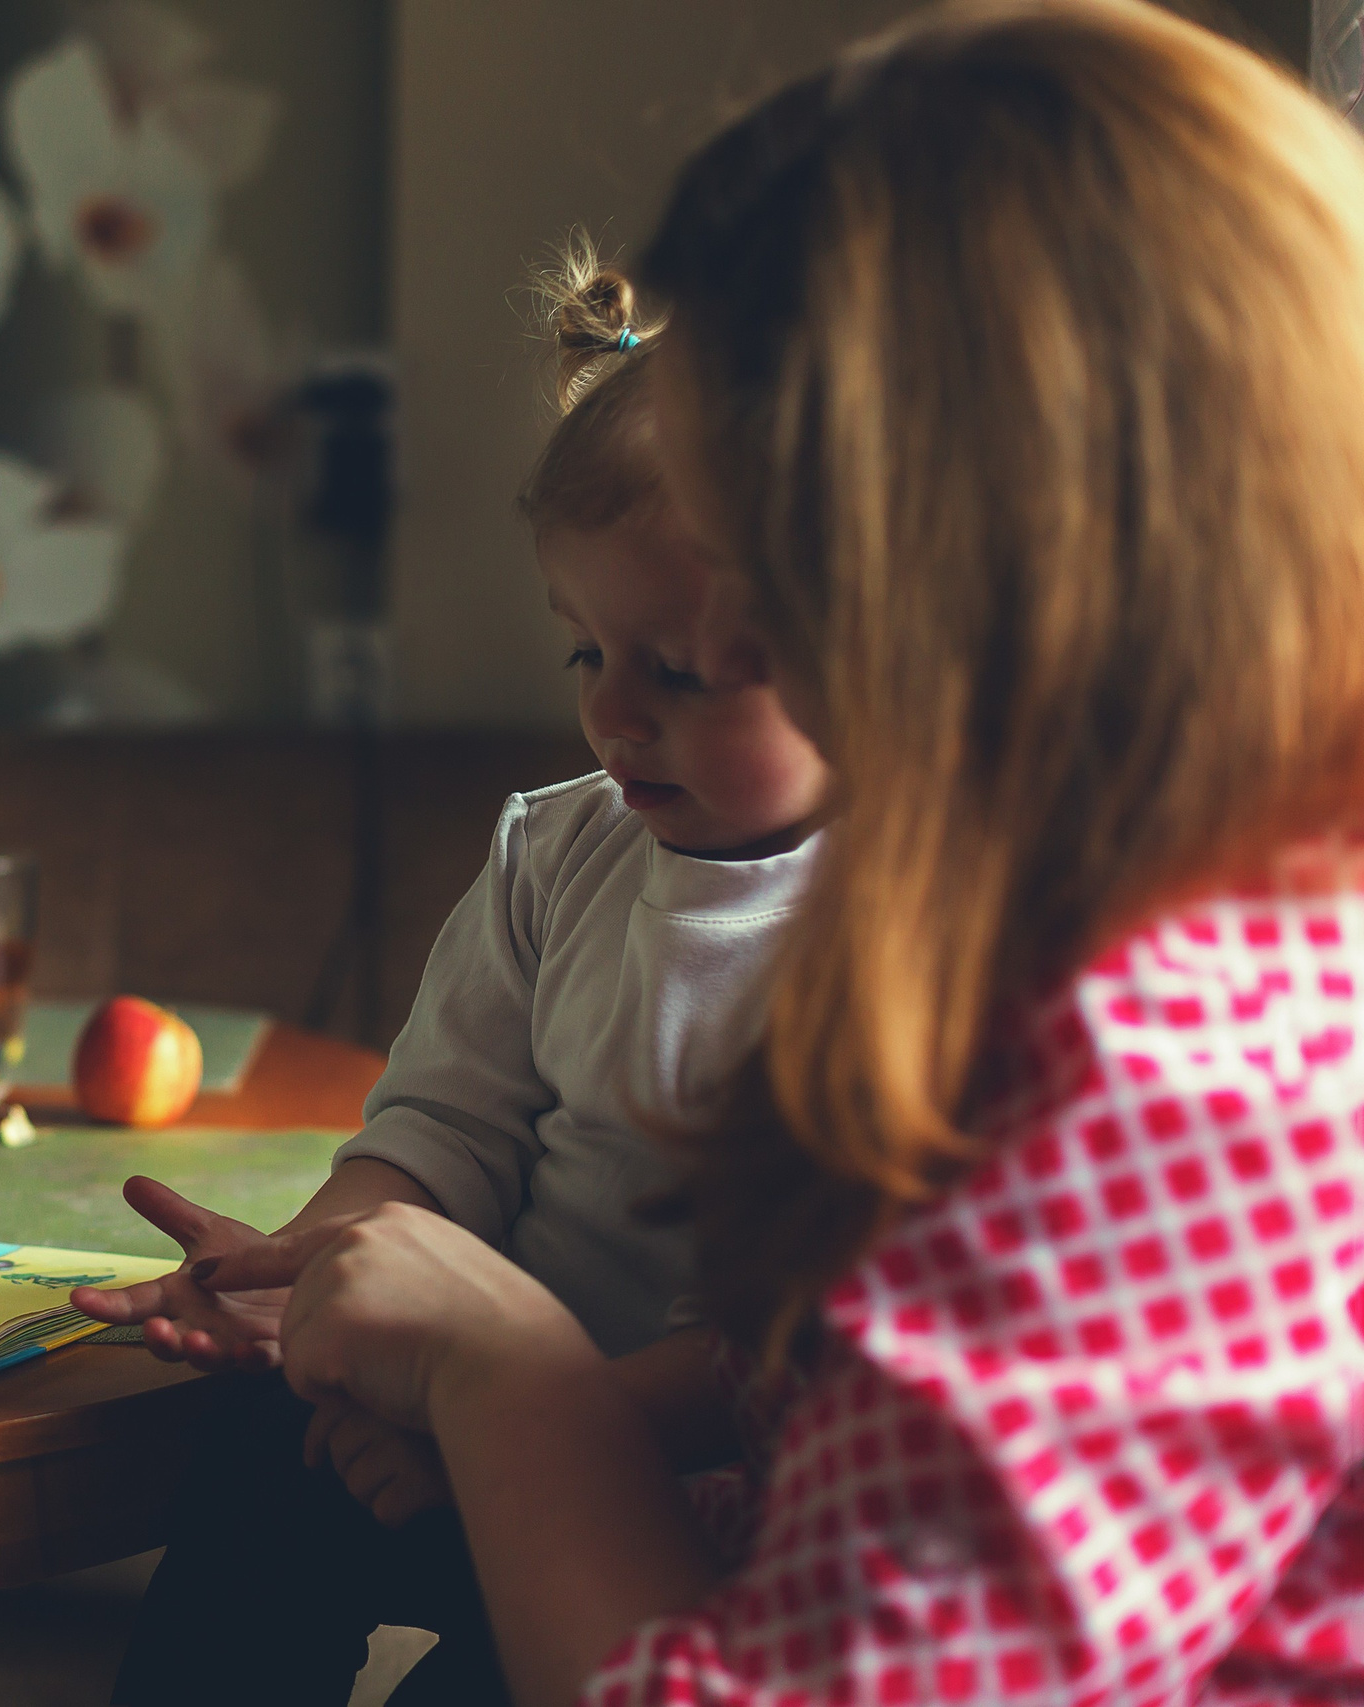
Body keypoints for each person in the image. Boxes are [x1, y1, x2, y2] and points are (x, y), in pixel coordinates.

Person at [180, 3, 1364, 1703]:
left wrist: (510, 1372)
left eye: (777, 538)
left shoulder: (1163, 1069)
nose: (721, 629)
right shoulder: (1119, 920)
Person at [85, 246, 829, 1706]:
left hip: (700, 1482)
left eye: (675, 668)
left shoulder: (921, 934)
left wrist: (515, 1426)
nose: (611, 711)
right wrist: (316, 1279)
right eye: (583, 651)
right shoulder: (556, 855)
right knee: (250, 1463)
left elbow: (802, 1351)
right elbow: (440, 1138)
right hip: (471, 1421)